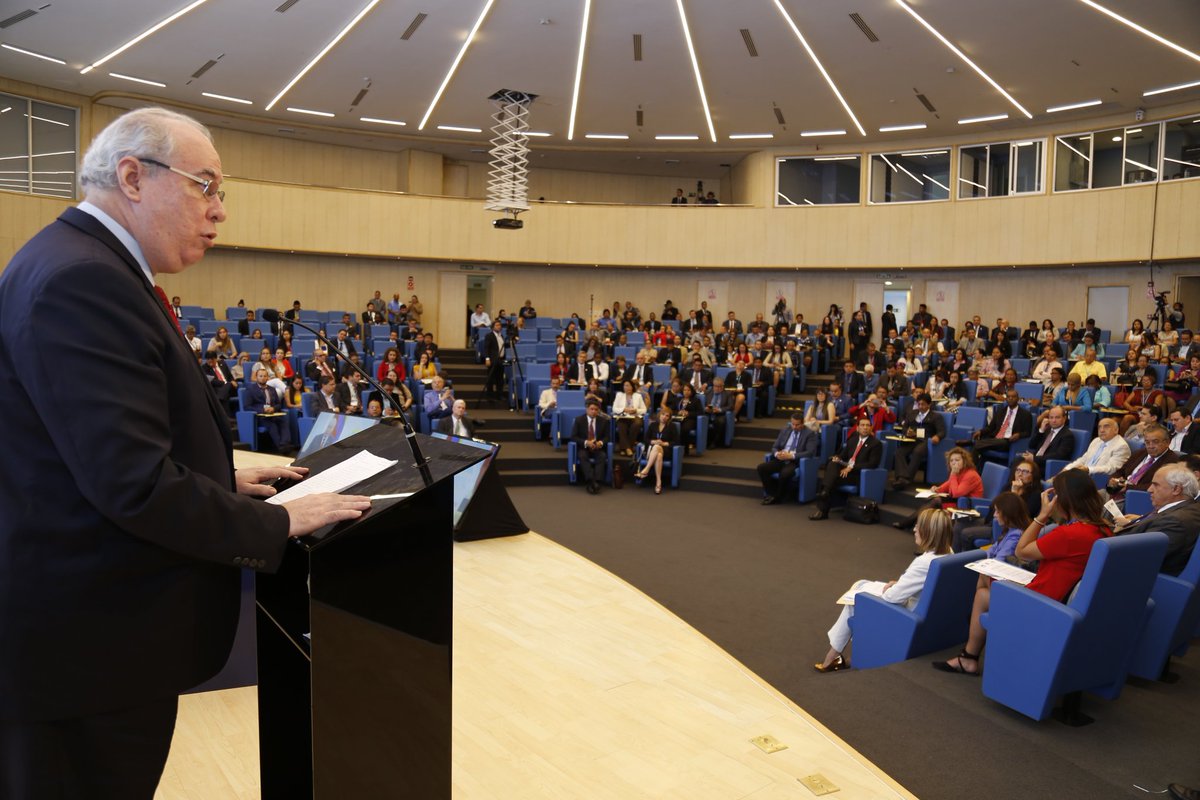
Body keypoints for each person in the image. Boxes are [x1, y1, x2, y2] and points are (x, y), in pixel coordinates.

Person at [0, 107, 370, 799]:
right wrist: (281, 521)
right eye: (206, 186)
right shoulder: (87, 281)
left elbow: (87, 451)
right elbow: (132, 483)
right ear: (133, 177)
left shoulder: (77, 263)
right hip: (87, 657)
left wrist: (221, 476)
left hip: (81, 646)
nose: (219, 211)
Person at [935, 469, 1113, 675]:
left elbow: (1022, 551)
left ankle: (969, 656)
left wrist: (1042, 516)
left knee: (983, 594)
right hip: (1059, 597)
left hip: (1042, 603)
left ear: (1067, 501)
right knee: (986, 576)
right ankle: (978, 638)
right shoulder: (1103, 529)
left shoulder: (1070, 534)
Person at [814, 508, 954, 673]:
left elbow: (892, 598)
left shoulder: (924, 562)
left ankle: (831, 657)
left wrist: (893, 587)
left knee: (857, 598)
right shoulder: (949, 553)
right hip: (929, 615)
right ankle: (846, 654)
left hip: (908, 616)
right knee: (862, 585)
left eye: (918, 526)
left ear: (930, 532)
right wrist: (898, 583)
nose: (914, 529)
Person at [1112, 464, 1200, 576]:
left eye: (1155, 485)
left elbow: (1137, 555)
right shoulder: (1184, 508)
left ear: (1176, 489)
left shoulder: (1175, 521)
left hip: (1135, 577)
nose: (1149, 490)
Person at [892, 447, 983, 529]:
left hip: (968, 504)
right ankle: (915, 524)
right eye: (951, 461)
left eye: (957, 460)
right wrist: (937, 489)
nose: (954, 463)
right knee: (934, 499)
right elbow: (948, 485)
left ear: (965, 461)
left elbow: (956, 493)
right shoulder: (959, 472)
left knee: (937, 501)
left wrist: (953, 475)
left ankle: (910, 523)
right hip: (959, 499)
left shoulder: (970, 474)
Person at [810, 418, 883, 520]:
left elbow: (872, 464)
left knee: (830, 479)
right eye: (862, 425)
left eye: (867, 425)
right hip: (845, 471)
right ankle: (825, 493)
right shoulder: (853, 440)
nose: (865, 428)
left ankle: (823, 506)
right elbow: (842, 455)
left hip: (859, 475)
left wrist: (851, 467)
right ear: (857, 428)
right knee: (833, 464)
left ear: (871, 428)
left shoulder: (876, 444)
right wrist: (838, 458)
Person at [758, 413, 819, 505]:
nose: (794, 427)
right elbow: (775, 447)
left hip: (795, 461)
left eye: (797, 425)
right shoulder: (785, 430)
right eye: (792, 424)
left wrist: (791, 456)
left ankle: (778, 497)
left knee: (785, 474)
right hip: (781, 458)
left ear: (802, 424)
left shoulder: (810, 434)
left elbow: (810, 452)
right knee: (761, 468)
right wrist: (777, 453)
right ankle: (772, 494)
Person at [891, 393, 947, 489]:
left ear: (929, 405)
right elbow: (904, 427)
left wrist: (937, 437)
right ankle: (901, 478)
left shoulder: (936, 416)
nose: (920, 406)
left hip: (926, 441)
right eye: (919, 404)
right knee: (899, 452)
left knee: (918, 451)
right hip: (912, 439)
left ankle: (907, 480)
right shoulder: (912, 413)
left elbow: (942, 431)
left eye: (923, 404)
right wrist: (907, 432)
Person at [971, 389, 1032, 462]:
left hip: (1009, 441)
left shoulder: (1025, 414)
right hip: (995, 440)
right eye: (1008, 397)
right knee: (979, 446)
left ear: (1018, 398)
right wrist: (980, 431)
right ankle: (976, 469)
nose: (1011, 398)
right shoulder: (1000, 411)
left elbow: (1028, 432)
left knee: (981, 444)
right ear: (1006, 399)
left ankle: (973, 443)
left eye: (1013, 397)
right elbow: (990, 428)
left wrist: (1019, 435)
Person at [245, 368, 293, 454]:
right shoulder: (251, 389)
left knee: (283, 422)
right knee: (272, 425)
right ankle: (281, 447)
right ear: (256, 377)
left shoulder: (272, 389)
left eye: (265, 376)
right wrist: (262, 410)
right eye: (260, 376)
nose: (263, 378)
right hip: (260, 417)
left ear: (267, 377)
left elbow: (278, 404)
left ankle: (285, 444)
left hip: (273, 414)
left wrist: (273, 408)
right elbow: (247, 407)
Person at [1062, 417, 1130, 477]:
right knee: (1058, 479)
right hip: (1082, 476)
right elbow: (1083, 459)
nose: (1102, 430)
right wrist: (1068, 468)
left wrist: (1089, 469)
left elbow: (1111, 468)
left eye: (1106, 427)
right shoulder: (1096, 440)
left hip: (1097, 479)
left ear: (1116, 430)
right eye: (1099, 427)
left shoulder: (1121, 446)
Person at [635, 407, 679, 495]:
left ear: (669, 418)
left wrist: (664, 443)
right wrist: (653, 441)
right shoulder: (653, 425)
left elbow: (676, 441)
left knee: (657, 447)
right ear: (659, 415)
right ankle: (658, 482)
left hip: (666, 450)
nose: (664, 417)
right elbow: (645, 439)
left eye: (667, 416)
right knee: (658, 454)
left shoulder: (672, 426)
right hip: (652, 451)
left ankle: (646, 470)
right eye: (663, 414)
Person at [571, 401, 609, 494]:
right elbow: (573, 436)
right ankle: (591, 480)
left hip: (597, 447)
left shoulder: (603, 421)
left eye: (596, 410)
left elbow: (607, 437)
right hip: (584, 447)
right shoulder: (579, 420)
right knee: (582, 456)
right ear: (587, 409)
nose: (593, 411)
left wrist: (600, 442)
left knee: (602, 456)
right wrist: (586, 442)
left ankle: (597, 481)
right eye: (591, 409)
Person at [612, 379, 647, 455]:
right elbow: (614, 408)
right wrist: (623, 409)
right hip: (623, 416)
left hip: (635, 416)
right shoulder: (619, 395)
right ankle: (628, 448)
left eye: (628, 385)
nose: (626, 387)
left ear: (632, 387)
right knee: (621, 425)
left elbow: (644, 409)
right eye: (625, 385)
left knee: (637, 424)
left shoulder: (638, 396)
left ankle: (624, 448)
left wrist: (636, 410)